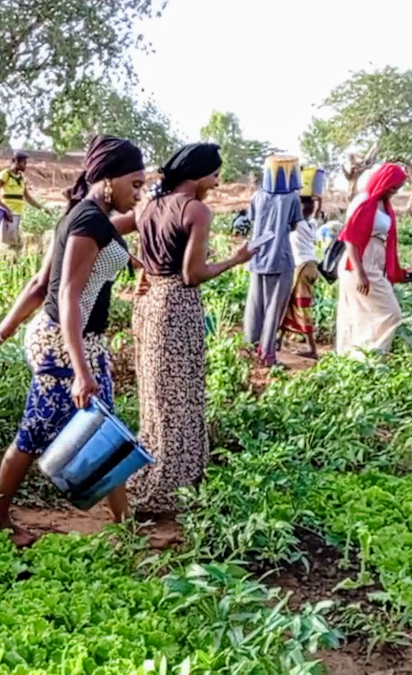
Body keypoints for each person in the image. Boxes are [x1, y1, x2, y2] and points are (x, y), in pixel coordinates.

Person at [0, 135, 146, 545]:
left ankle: (126, 528)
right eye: (134, 184)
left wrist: (1, 332)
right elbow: (66, 294)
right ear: (108, 179)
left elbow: (38, 283)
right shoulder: (86, 221)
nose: (138, 193)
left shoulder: (86, 216)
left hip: (78, 340)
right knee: (36, 431)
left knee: (106, 430)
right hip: (63, 342)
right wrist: (81, 373)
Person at [119, 143, 253, 516]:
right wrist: (235, 259)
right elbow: (192, 275)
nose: (217, 180)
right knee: (181, 397)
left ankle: (147, 472)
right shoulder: (195, 210)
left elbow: (105, 228)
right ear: (197, 176)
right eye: (214, 173)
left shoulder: (147, 205)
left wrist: (137, 264)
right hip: (176, 307)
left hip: (147, 304)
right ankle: (172, 487)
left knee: (154, 397)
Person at [335, 162, 411, 357]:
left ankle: (361, 358)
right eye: (393, 186)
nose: (395, 191)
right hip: (359, 263)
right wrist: (360, 274)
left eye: (398, 187)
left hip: (374, 262)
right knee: (390, 312)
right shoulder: (364, 201)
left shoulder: (382, 205)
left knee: (366, 313)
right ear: (383, 181)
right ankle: (369, 356)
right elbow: (350, 238)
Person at [244, 159, 302, 366]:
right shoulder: (292, 198)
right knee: (273, 308)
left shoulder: (257, 197)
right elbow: (294, 225)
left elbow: (252, 221)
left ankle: (249, 349)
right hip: (281, 258)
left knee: (255, 305)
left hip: (257, 255)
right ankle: (267, 355)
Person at [280, 196, 321, 358]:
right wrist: (319, 203)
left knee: (300, 306)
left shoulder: (296, 225)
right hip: (311, 266)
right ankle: (279, 337)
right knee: (289, 303)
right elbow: (316, 215)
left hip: (301, 267)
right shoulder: (309, 225)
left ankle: (312, 349)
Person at [0, 151, 47, 249]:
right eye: (24, 163)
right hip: (7, 215)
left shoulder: (21, 179)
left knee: (15, 244)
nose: (25, 166)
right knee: (6, 245)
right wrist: (5, 209)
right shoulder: (4, 175)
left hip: (17, 214)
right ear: (16, 162)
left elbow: (28, 197)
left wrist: (42, 208)